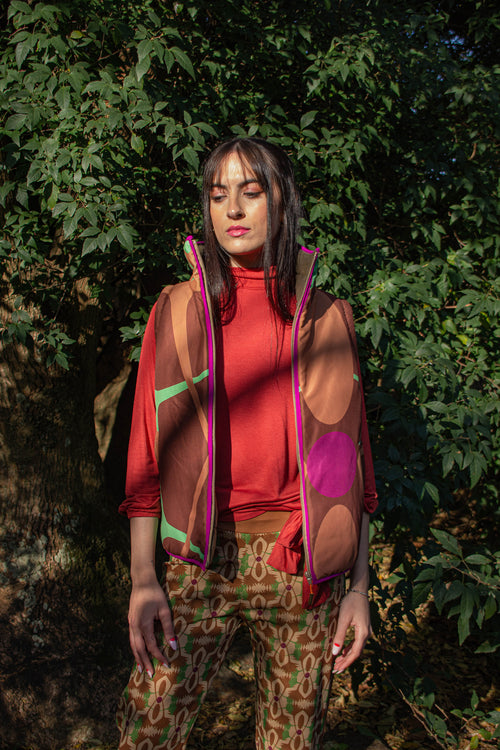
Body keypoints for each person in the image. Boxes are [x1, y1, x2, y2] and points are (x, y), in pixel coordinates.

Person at [116, 136, 377, 750]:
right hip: (197, 561)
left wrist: (359, 589)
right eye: (218, 195)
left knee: (291, 740)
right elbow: (146, 459)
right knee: (150, 730)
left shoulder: (329, 318)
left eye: (251, 192)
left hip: (300, 564)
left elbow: (357, 469)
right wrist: (144, 577)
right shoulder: (176, 310)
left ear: (282, 202)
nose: (232, 208)